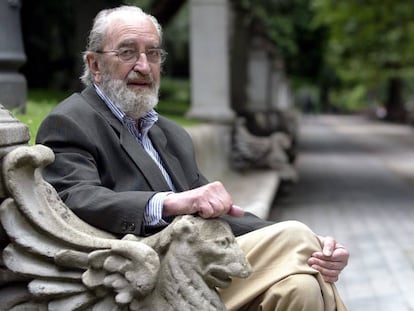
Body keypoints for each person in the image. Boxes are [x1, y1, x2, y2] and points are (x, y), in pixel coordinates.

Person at [36, 5, 349, 310]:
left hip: (199, 267)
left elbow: (219, 214)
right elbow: (75, 198)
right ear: (94, 65)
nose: (144, 66)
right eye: (128, 52)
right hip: (145, 279)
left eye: (153, 53)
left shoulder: (170, 133)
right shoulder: (71, 121)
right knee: (297, 239)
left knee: (301, 287)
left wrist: (316, 243)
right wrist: (170, 202)